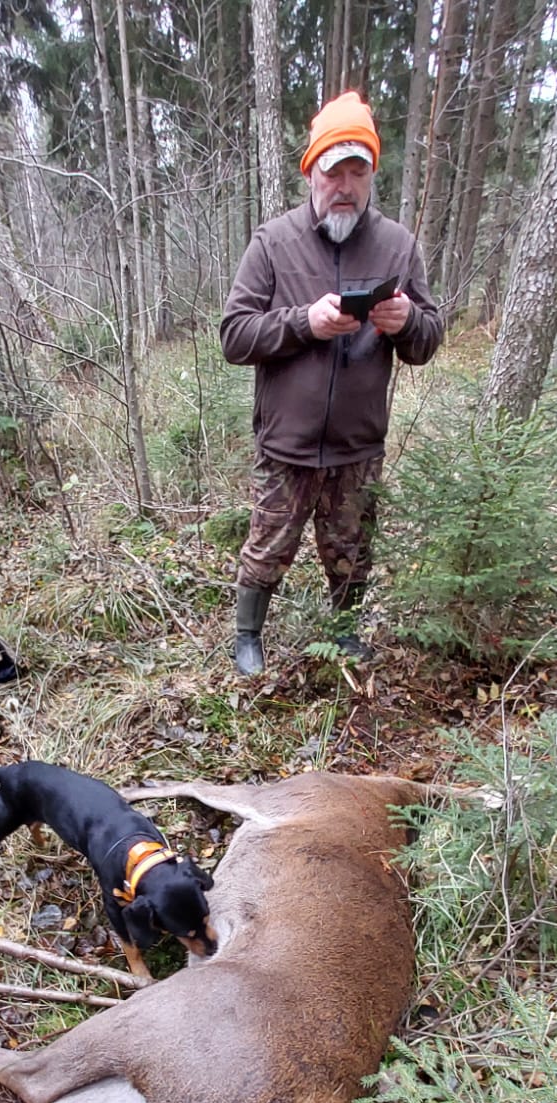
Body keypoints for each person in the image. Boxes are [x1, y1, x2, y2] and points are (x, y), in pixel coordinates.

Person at [220, 90, 443, 675]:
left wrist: (406, 321)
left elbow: (427, 341)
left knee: (352, 552)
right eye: (333, 172)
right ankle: (248, 638)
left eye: (357, 172)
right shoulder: (273, 242)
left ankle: (345, 635)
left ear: (372, 176)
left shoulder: (398, 246)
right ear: (310, 174)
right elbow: (234, 336)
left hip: (357, 446)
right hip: (286, 443)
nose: (345, 186)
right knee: (268, 545)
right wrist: (304, 323)